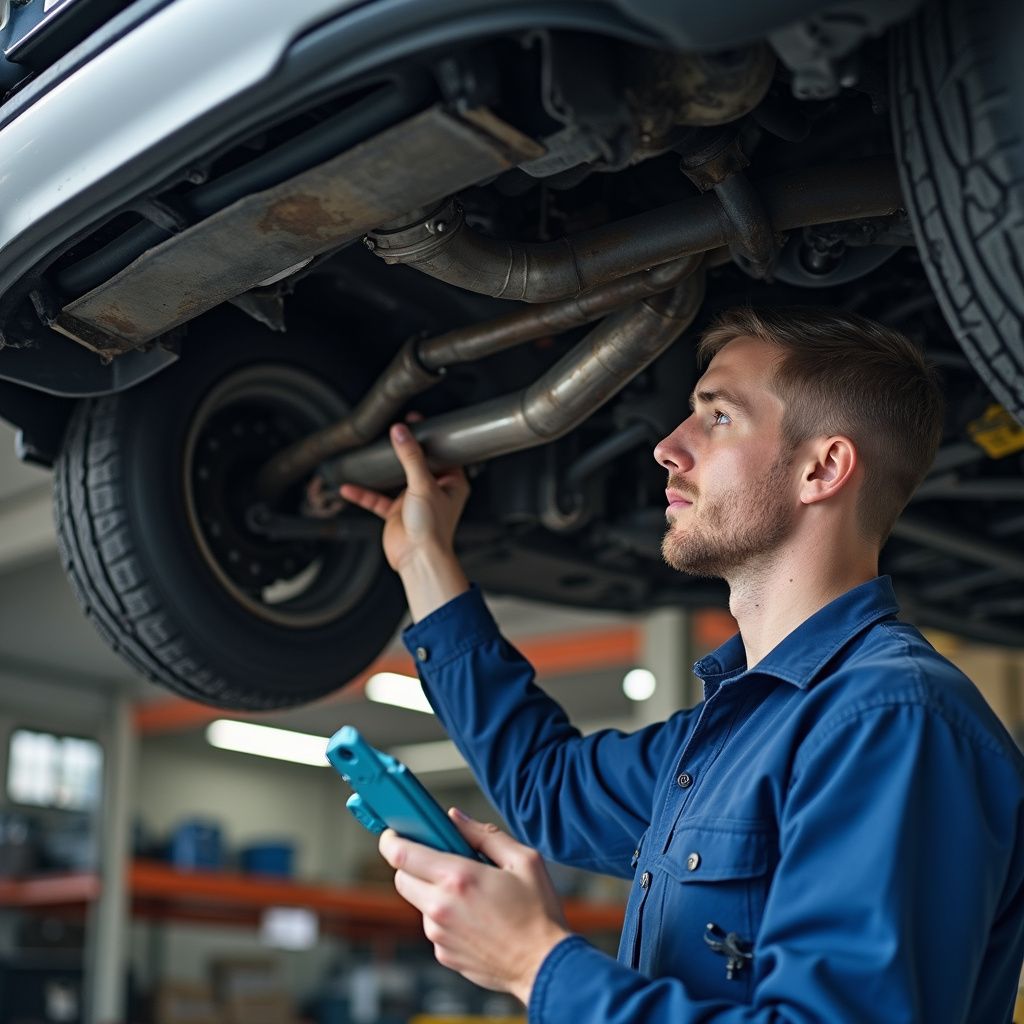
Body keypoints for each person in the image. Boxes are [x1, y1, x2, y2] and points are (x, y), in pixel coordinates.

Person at [339, 306, 1024, 1023]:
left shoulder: (891, 721)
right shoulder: (738, 730)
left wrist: (534, 964)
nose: (668, 446)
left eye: (718, 417)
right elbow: (548, 788)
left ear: (822, 468)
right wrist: (424, 562)